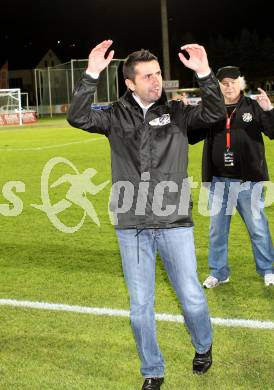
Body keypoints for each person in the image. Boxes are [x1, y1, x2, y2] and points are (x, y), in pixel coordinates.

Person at [67, 39, 226, 390]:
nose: (157, 81)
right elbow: (77, 116)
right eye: (148, 76)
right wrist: (91, 73)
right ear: (129, 83)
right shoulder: (114, 115)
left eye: (158, 74)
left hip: (174, 222)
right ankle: (152, 370)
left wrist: (204, 73)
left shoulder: (179, 111)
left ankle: (203, 345)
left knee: (191, 296)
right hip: (131, 225)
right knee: (140, 307)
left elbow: (215, 113)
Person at [189, 66, 274, 289]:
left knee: (258, 228)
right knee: (217, 230)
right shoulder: (211, 109)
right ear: (219, 86)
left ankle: (268, 270)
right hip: (218, 181)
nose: (229, 86)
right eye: (224, 83)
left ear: (241, 83)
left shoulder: (253, 106)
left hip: (248, 182)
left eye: (233, 82)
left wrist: (269, 110)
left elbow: (272, 131)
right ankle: (219, 272)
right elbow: (191, 136)